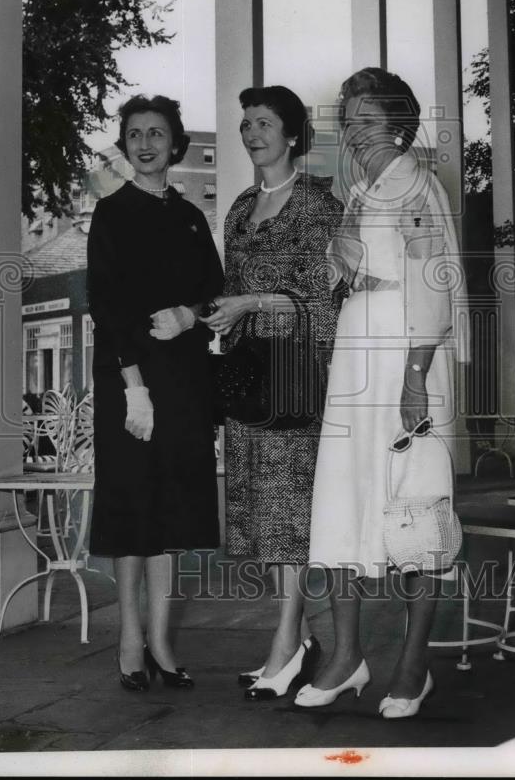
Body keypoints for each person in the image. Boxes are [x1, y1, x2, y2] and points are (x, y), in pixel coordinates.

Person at [296, 69, 467, 718]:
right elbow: (349, 279)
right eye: (348, 121)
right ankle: (345, 658)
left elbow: (431, 287)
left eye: (368, 121)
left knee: (413, 512)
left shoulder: (416, 185)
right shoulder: (361, 192)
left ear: (398, 124)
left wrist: (416, 377)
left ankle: (413, 664)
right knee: (345, 505)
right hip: (356, 362)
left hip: (405, 363)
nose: (355, 133)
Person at [203, 85, 343, 700]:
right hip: (247, 374)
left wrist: (255, 303)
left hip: (293, 373)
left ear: (292, 135)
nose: (252, 133)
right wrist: (222, 317)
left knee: (288, 514)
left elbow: (327, 301)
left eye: (264, 122)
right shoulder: (235, 210)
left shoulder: (318, 205)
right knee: (260, 515)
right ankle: (298, 636)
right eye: (245, 124)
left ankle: (286, 644)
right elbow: (230, 286)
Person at [86, 94, 224, 692]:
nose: (145, 143)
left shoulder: (191, 217)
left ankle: (164, 644)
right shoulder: (111, 213)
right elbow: (108, 307)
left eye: (157, 134)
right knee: (131, 507)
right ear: (126, 144)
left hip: (184, 381)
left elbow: (215, 294)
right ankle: (128, 643)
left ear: (175, 145)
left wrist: (190, 315)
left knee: (172, 511)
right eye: (135, 133)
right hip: (129, 381)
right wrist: (133, 387)